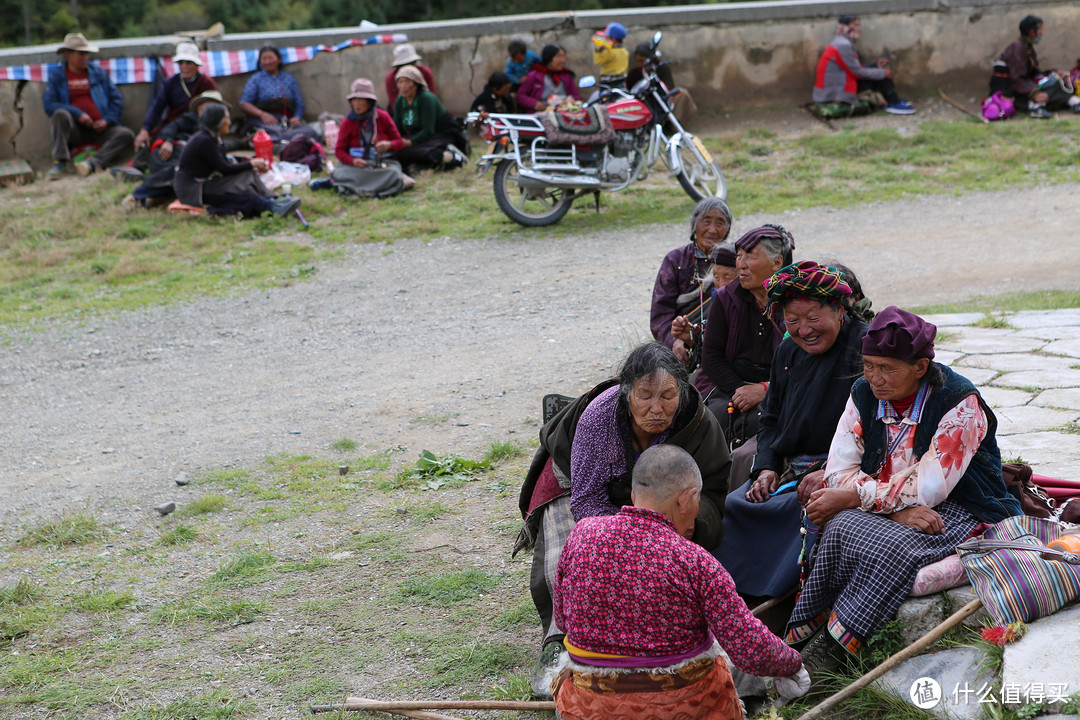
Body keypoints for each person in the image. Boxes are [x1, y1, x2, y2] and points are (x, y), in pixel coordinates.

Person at [786, 306, 1022, 677]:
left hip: (959, 506)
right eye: (868, 365)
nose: (875, 378)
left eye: (887, 368)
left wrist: (857, 497)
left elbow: (930, 486)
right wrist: (892, 510)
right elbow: (838, 470)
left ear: (920, 368)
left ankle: (836, 646)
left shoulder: (960, 402)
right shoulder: (863, 393)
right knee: (839, 526)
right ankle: (808, 636)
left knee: (890, 548)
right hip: (892, 506)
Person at [512, 342, 731, 698]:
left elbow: (713, 494)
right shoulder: (600, 416)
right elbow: (587, 500)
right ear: (626, 391)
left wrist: (662, 533)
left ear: (682, 391)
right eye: (644, 396)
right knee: (571, 554)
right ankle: (557, 641)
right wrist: (625, 541)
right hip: (578, 483)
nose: (656, 409)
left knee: (664, 566)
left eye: (667, 396)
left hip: (653, 504)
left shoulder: (699, 423)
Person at [551, 445, 809, 719]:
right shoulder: (697, 561)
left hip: (588, 706)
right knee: (723, 660)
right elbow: (747, 646)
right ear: (686, 500)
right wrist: (792, 665)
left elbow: (563, 620)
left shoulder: (581, 535)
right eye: (697, 500)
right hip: (681, 706)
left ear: (635, 494)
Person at [713, 261, 869, 601]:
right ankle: (732, 599)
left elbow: (876, 426)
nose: (804, 330)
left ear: (840, 309)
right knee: (735, 508)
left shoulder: (864, 348)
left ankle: (783, 602)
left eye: (813, 318)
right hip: (790, 469)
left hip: (843, 470)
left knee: (797, 517)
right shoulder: (788, 350)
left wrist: (828, 471)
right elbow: (770, 418)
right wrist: (766, 466)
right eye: (792, 320)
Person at [694, 225, 792, 437]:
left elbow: (803, 361)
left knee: (770, 424)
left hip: (782, 386)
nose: (741, 265)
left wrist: (765, 390)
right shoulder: (726, 297)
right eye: (739, 256)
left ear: (777, 262)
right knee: (714, 420)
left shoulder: (795, 301)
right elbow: (711, 356)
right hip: (729, 382)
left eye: (750, 257)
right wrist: (741, 391)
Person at [174, 103, 300, 218]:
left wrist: (245, 160)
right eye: (227, 119)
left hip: (207, 181)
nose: (229, 122)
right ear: (219, 122)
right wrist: (251, 163)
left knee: (247, 172)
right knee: (237, 196)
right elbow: (224, 169)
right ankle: (270, 206)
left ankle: (271, 199)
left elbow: (220, 160)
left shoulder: (213, 137)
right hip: (193, 188)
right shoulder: (204, 140)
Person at [651, 197, 733, 367]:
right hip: (678, 339)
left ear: (727, 228)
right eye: (706, 221)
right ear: (694, 225)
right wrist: (676, 340)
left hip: (723, 342)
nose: (712, 229)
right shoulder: (675, 260)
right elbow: (661, 313)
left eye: (720, 223)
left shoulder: (734, 259)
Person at [42, 33, 135, 180]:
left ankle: (92, 164)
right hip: (76, 130)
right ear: (68, 54)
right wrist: (78, 114)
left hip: (101, 129)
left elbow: (117, 100)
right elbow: (50, 104)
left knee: (126, 134)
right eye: (81, 54)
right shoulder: (58, 76)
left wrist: (107, 120)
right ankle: (59, 162)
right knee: (60, 114)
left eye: (87, 54)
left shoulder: (98, 73)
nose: (85, 58)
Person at [122, 89, 226, 210]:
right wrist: (168, 141)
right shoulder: (189, 119)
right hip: (169, 154)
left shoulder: (213, 132)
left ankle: (156, 199)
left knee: (191, 177)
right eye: (211, 106)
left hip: (186, 159)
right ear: (200, 108)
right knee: (178, 171)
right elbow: (172, 127)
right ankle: (137, 196)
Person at [309, 78, 410, 199]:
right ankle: (375, 188)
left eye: (360, 100)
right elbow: (339, 151)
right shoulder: (347, 122)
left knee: (394, 175)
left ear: (369, 102)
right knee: (341, 173)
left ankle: (348, 185)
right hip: (356, 166)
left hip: (381, 163)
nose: (356, 104)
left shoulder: (382, 117)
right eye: (354, 100)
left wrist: (389, 145)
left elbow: (399, 142)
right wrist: (352, 161)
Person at [131, 42, 218, 173]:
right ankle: (138, 168)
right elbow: (157, 107)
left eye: (189, 62)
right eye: (181, 63)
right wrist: (145, 129)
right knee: (147, 139)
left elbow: (213, 111)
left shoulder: (206, 83)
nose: (184, 67)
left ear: (196, 64)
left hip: (195, 127)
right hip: (172, 127)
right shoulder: (171, 83)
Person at [812, 15, 916, 115]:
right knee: (881, 74)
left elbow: (852, 67)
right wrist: (882, 73)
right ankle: (893, 103)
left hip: (840, 84)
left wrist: (874, 64)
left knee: (878, 70)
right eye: (855, 25)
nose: (858, 28)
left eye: (859, 25)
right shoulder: (843, 45)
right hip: (835, 92)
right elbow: (856, 72)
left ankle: (893, 100)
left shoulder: (842, 42)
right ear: (844, 27)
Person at [995, 15, 1080, 119]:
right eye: (1040, 30)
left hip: (1026, 85)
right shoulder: (1017, 48)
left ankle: (1075, 102)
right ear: (1032, 31)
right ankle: (1035, 107)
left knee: (1058, 81)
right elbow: (1016, 79)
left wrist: (1054, 73)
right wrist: (1034, 93)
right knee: (1054, 86)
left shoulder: (1027, 47)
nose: (1041, 33)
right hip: (1016, 91)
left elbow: (1035, 73)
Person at [238, 45, 317, 142]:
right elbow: (244, 103)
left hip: (286, 122)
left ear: (279, 60)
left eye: (270, 58)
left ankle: (284, 141)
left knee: (310, 132)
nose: (267, 61)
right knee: (274, 133)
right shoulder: (256, 79)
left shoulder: (289, 79)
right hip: (263, 122)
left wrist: (297, 117)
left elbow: (299, 102)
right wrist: (262, 115)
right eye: (264, 59)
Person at [391, 66, 463, 172]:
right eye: (400, 82)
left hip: (439, 133)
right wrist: (396, 141)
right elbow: (396, 127)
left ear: (416, 84)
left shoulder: (426, 98)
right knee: (397, 153)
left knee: (412, 151)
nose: (403, 86)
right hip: (417, 136)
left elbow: (428, 130)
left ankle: (445, 157)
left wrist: (409, 142)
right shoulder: (399, 101)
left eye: (407, 82)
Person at [625, 42, 697, 122]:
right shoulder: (633, 73)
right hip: (644, 102)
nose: (640, 64)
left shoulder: (662, 69)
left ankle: (672, 124)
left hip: (661, 98)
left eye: (642, 61)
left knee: (682, 94)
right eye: (638, 61)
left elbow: (669, 87)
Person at [517, 44, 582, 113]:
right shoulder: (535, 75)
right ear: (549, 58)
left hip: (562, 115)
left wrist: (571, 100)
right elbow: (520, 95)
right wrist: (534, 103)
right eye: (558, 56)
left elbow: (577, 97)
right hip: (540, 115)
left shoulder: (566, 76)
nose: (563, 60)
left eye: (563, 56)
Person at [384, 44, 437, 108]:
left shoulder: (425, 72)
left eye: (411, 64)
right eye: (400, 82)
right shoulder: (391, 78)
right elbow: (394, 104)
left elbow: (432, 98)